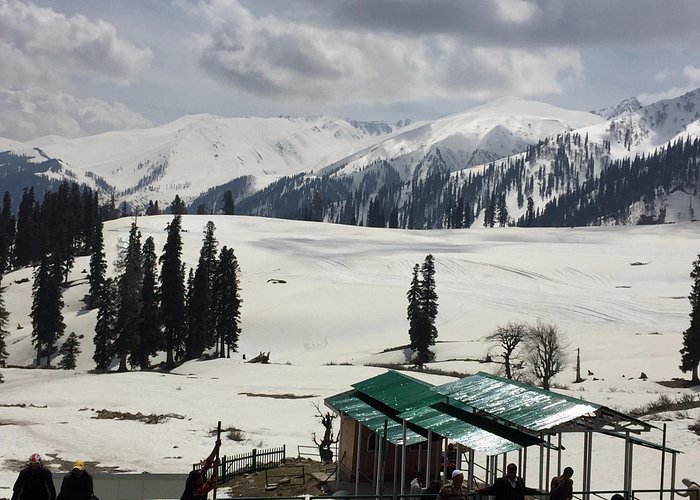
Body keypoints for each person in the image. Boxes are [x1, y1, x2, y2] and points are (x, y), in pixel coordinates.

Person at [475, 463, 540, 500]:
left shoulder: (520, 481)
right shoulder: (500, 481)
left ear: (515, 472)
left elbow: (525, 489)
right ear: (507, 472)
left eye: (513, 472)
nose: (512, 474)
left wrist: (535, 491)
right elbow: (492, 489)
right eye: (510, 472)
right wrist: (481, 491)